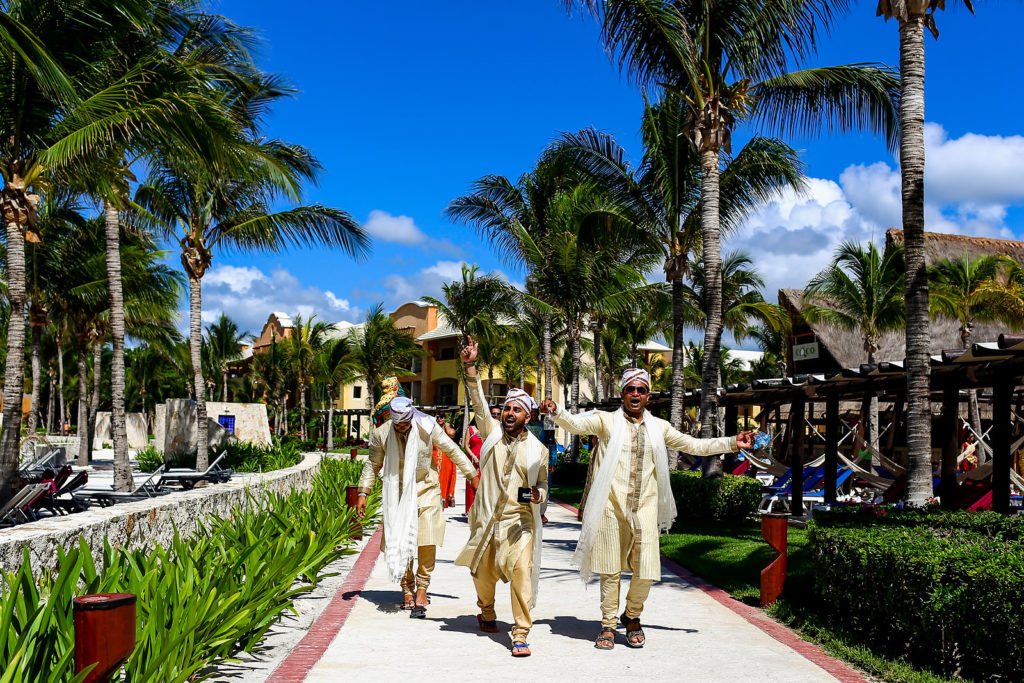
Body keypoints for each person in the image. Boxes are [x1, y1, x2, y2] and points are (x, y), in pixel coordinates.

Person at [541, 368, 754, 651]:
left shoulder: (660, 427)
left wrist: (730, 442)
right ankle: (607, 625)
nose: (636, 394)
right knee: (610, 569)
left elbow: (693, 444)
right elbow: (576, 425)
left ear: (648, 396)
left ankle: (631, 616)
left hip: (645, 508)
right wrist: (557, 411)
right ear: (622, 394)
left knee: (646, 569)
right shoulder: (606, 422)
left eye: (641, 390)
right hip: (610, 506)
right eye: (631, 389)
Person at [456, 336, 547, 657]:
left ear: (528, 416)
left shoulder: (539, 450)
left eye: (516, 409)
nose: (509, 413)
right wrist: (470, 365)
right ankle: (487, 610)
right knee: (482, 576)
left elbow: (545, 486)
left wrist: (539, 495)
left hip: (518, 525)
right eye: (506, 408)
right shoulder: (492, 434)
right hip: (484, 523)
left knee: (522, 572)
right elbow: (478, 401)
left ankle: (521, 632)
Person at [357, 396, 480, 619]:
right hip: (398, 490)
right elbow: (373, 464)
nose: (403, 429)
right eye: (399, 425)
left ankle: (422, 587)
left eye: (406, 424)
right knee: (401, 538)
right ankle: (407, 587)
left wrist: (471, 474)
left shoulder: (427, 426)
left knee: (427, 536)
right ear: (393, 421)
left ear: (412, 417)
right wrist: (363, 491)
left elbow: (451, 449)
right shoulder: (382, 433)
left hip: (426, 487)